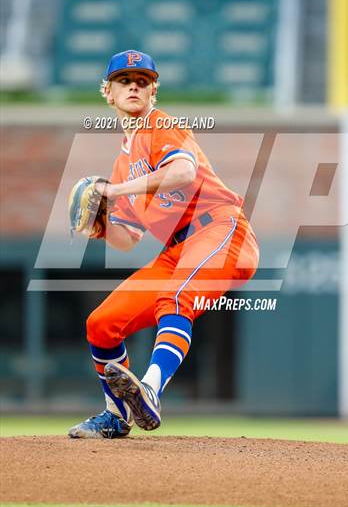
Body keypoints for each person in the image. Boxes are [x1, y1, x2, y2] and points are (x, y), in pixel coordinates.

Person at [68, 50, 259, 439]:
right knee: (101, 324)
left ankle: (151, 389)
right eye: (124, 80)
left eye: (143, 80)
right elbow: (128, 239)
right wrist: (98, 228)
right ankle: (116, 415)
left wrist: (116, 190)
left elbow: (184, 171)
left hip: (221, 228)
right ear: (108, 92)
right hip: (176, 248)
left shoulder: (160, 124)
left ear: (154, 91)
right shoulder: (123, 162)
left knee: (174, 299)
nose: (134, 85)